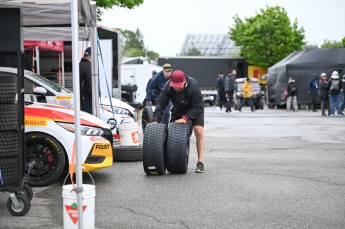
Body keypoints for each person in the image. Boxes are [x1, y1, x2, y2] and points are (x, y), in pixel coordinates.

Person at [153, 70, 205, 173]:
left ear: (184, 81)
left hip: (194, 109)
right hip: (178, 109)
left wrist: (186, 118)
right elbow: (161, 103)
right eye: (174, 85)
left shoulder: (193, 85)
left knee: (198, 130)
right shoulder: (168, 86)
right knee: (171, 134)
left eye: (178, 85)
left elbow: (198, 107)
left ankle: (200, 162)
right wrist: (156, 120)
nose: (176, 87)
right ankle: (170, 159)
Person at [79, 47, 93, 114]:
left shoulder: (79, 65)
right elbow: (90, 84)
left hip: (81, 98)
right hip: (87, 99)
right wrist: (95, 96)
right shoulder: (88, 66)